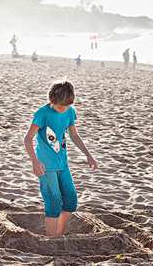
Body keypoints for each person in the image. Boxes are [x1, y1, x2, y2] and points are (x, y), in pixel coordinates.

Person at [23, 80, 97, 237]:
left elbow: (74, 136)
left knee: (71, 201)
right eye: (59, 107)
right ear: (50, 100)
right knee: (54, 202)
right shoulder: (42, 114)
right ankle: (52, 239)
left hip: (63, 164)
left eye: (66, 106)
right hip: (46, 166)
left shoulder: (69, 112)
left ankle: (59, 234)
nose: (63, 109)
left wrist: (88, 155)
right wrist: (34, 161)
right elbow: (27, 139)